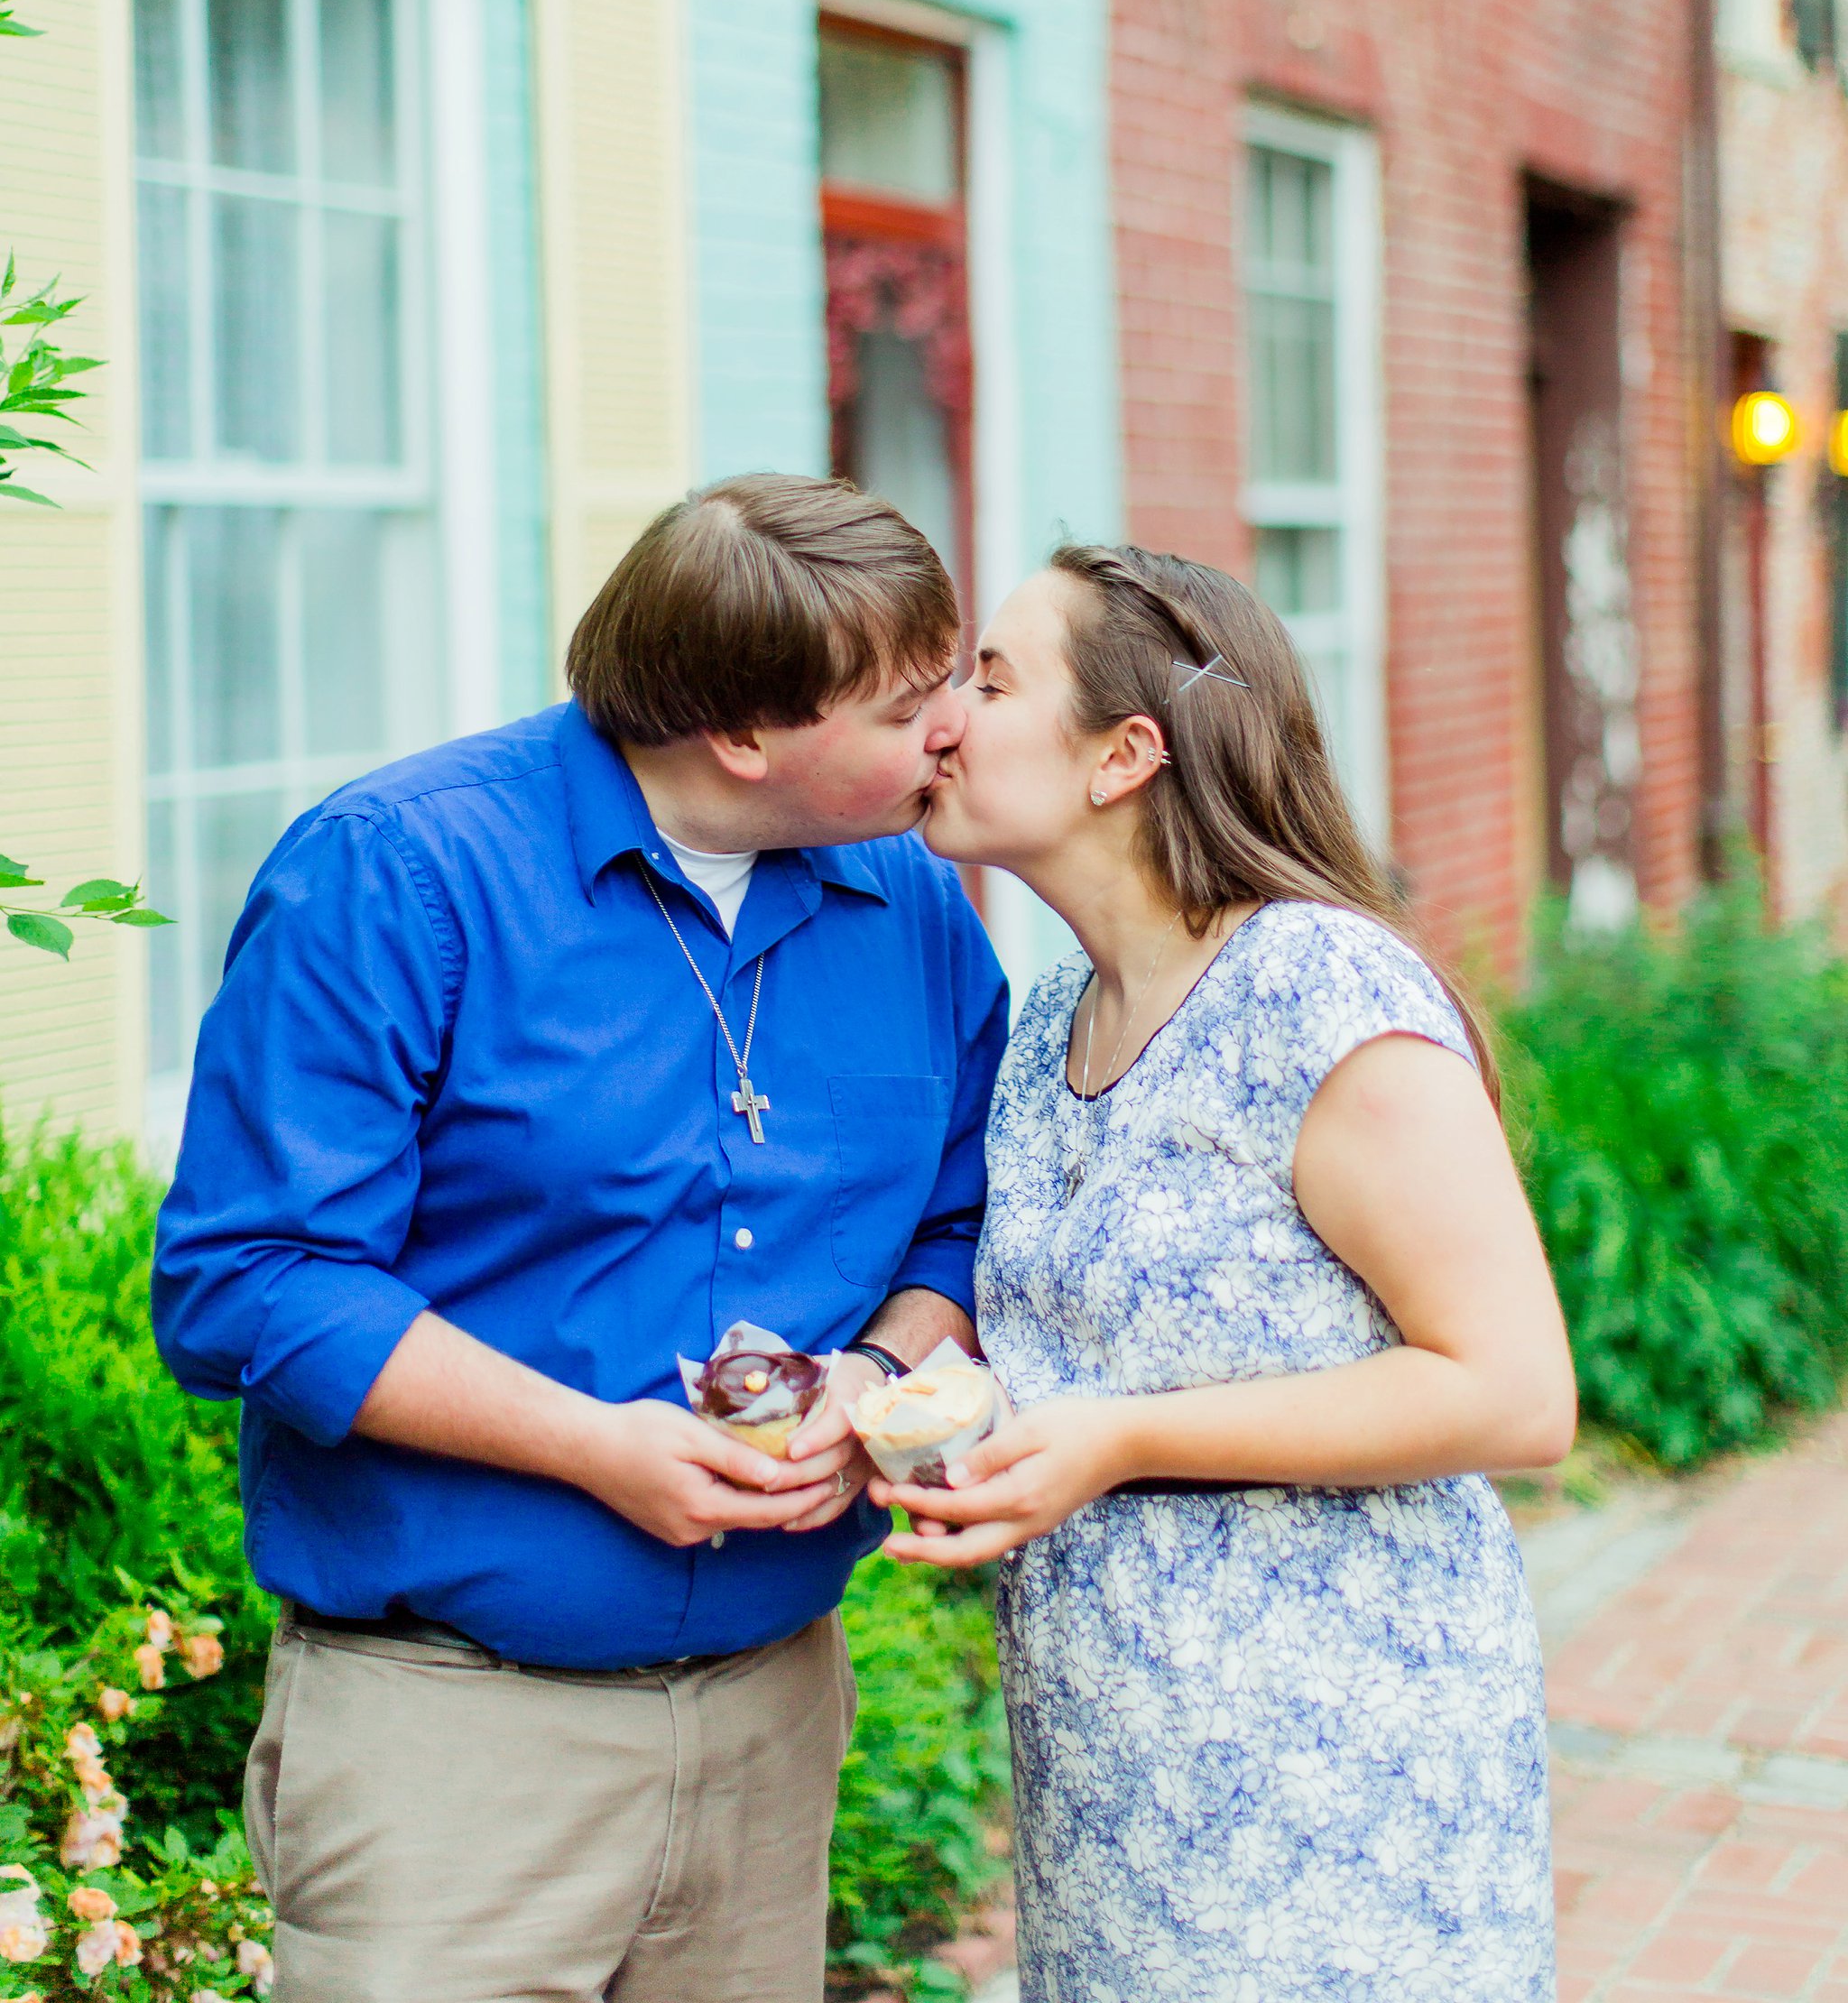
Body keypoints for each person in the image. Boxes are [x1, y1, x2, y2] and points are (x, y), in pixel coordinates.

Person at [152, 474, 1008, 2003]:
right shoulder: (396, 875)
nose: (955, 723)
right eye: (905, 702)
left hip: (776, 1719)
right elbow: (247, 1284)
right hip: (452, 1746)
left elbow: (958, 1225)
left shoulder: (916, 901)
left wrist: (874, 1374)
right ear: (744, 737)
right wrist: (593, 1447)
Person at [881, 542, 1573, 2003]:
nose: (940, 716)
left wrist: (1122, 1441)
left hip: (1334, 1764)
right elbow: (1093, 1343)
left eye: (991, 681)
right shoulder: (1055, 1008)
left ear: (1122, 756)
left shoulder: (1319, 990)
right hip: (1116, 1771)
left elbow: (1515, 1393)